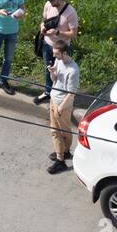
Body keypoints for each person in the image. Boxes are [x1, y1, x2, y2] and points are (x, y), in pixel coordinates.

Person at [33, 0, 79, 105]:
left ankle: (61, 96)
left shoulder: (71, 13)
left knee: (62, 71)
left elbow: (73, 34)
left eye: (53, 0)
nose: (50, 2)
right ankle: (48, 92)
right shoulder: (48, 5)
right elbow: (44, 20)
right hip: (47, 45)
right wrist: (42, 27)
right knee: (49, 69)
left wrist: (58, 33)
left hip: (62, 48)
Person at [45, 40, 79, 175]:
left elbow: (71, 93)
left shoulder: (73, 70)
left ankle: (61, 161)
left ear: (64, 52)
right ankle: (62, 153)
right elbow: (55, 80)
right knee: (55, 131)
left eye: (56, 54)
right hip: (54, 99)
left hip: (62, 105)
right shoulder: (59, 61)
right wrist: (52, 72)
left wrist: (61, 107)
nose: (54, 57)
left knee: (62, 131)